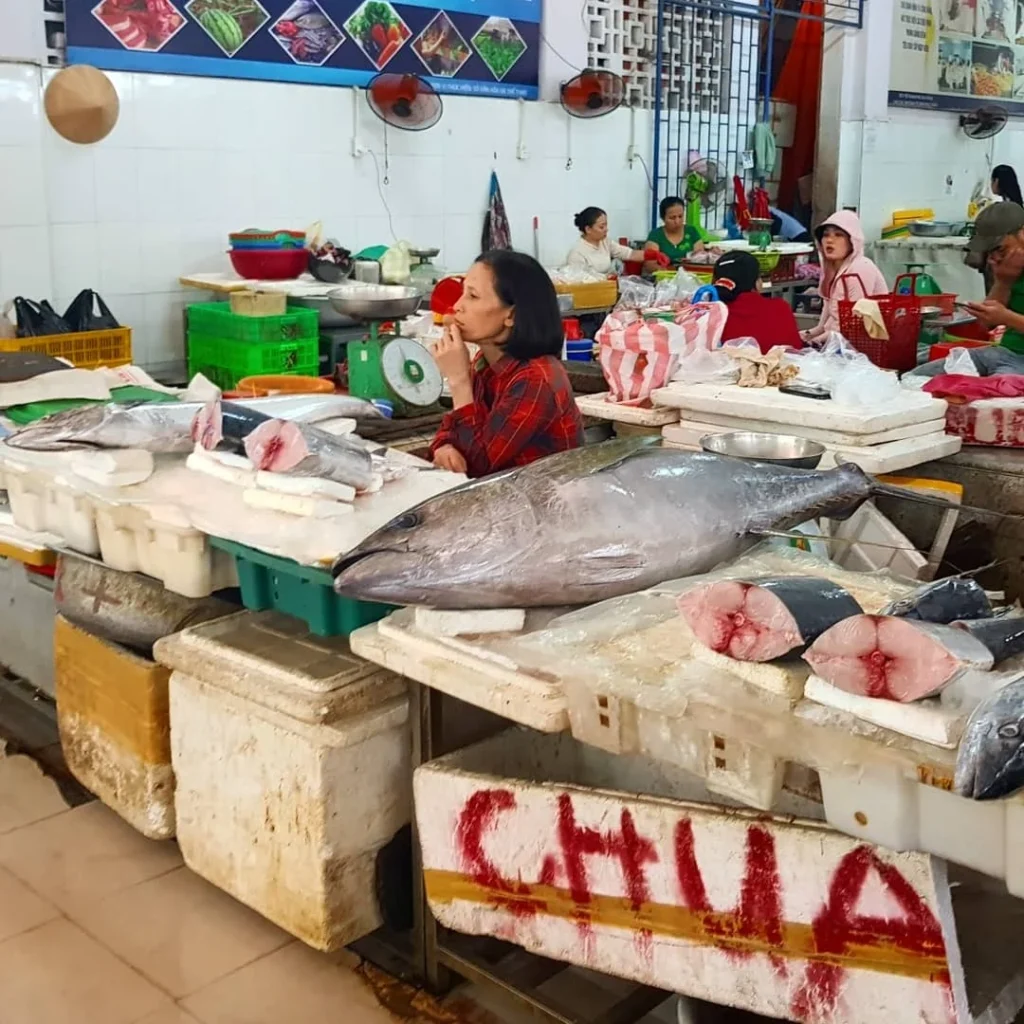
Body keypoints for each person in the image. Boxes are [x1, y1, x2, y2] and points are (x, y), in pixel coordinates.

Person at [430, 250, 584, 479]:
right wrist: (444, 447)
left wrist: (459, 381)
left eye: (473, 296)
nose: (458, 306)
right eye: (462, 293)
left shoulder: (536, 378)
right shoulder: (484, 362)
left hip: (546, 505)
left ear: (511, 315)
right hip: (507, 499)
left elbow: (479, 464)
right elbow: (454, 431)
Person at [912, 202, 1024, 376]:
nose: (994, 257)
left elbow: (1002, 317)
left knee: (997, 392)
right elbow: (986, 325)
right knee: (916, 377)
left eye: (1000, 249)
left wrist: (1007, 318)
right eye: (989, 252)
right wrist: (1003, 281)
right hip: (1003, 352)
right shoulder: (1009, 267)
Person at [802, 210, 887, 345]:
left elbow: (855, 323)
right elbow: (828, 315)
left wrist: (817, 341)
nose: (830, 240)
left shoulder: (860, 268)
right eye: (826, 235)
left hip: (862, 347)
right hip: (836, 341)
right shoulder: (831, 269)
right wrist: (808, 334)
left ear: (852, 241)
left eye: (838, 235)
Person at [714, 251, 803, 353]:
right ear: (756, 282)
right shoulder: (780, 307)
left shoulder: (712, 314)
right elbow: (795, 348)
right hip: (783, 367)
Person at [567, 207, 650, 274]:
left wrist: (651, 255)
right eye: (601, 227)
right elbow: (580, 281)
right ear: (588, 229)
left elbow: (629, 254)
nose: (606, 229)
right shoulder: (577, 253)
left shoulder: (605, 242)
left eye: (606, 225)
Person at [646, 196, 704, 265]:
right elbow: (650, 264)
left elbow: (700, 259)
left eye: (680, 216)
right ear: (663, 218)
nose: (677, 221)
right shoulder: (655, 235)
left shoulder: (691, 232)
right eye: (672, 218)